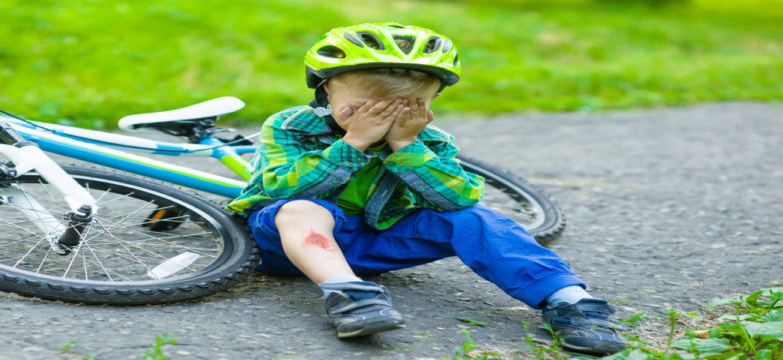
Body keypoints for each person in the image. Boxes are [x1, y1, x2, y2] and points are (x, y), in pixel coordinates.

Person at [225, 22, 627, 355]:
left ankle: (570, 302)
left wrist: (406, 147)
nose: (379, 117)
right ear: (326, 88)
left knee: (477, 219)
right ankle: (348, 294)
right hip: (285, 245)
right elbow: (278, 187)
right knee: (301, 209)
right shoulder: (290, 126)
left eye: (406, 107)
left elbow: (459, 198)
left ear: (432, 99)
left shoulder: (430, 140)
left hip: (377, 243)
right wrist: (353, 143)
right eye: (363, 106)